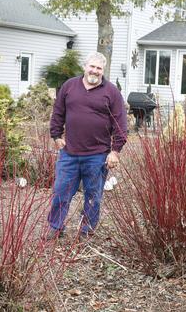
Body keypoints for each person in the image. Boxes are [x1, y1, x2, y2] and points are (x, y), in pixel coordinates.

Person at [47, 51, 127, 240]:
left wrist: (115, 151)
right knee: (60, 192)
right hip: (69, 153)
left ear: (103, 70)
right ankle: (56, 227)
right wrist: (56, 135)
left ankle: (86, 230)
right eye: (92, 66)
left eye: (99, 68)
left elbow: (120, 123)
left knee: (93, 195)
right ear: (85, 67)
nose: (95, 71)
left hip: (97, 155)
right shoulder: (69, 86)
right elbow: (58, 111)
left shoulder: (111, 92)